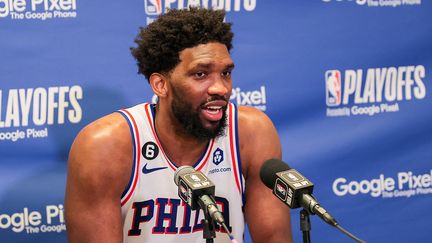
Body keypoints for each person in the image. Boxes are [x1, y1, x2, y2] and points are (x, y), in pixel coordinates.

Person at [65, 7, 293, 243]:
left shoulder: (251, 133)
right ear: (160, 85)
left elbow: (274, 238)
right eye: (201, 74)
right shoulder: (104, 145)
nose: (221, 88)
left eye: (225, 73)